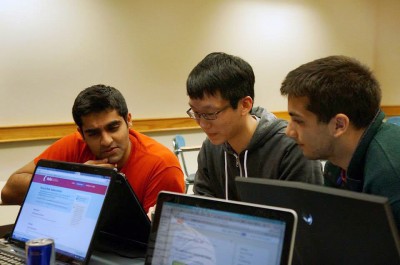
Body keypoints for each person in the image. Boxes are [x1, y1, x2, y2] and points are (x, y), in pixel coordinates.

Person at [1, 84, 185, 212]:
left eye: (113, 127)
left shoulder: (161, 165)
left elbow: (158, 242)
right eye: (93, 133)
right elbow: (9, 191)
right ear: (82, 133)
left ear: (128, 120)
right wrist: (79, 179)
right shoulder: (75, 144)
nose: (105, 141)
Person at [280, 55, 400, 229]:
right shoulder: (337, 164)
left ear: (339, 125)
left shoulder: (391, 175)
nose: (288, 132)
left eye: (298, 121)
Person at [186, 52, 323, 200]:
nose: (203, 124)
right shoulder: (210, 149)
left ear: (245, 105)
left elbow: (305, 217)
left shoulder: (291, 149)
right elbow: (202, 206)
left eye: (210, 113)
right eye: (195, 113)